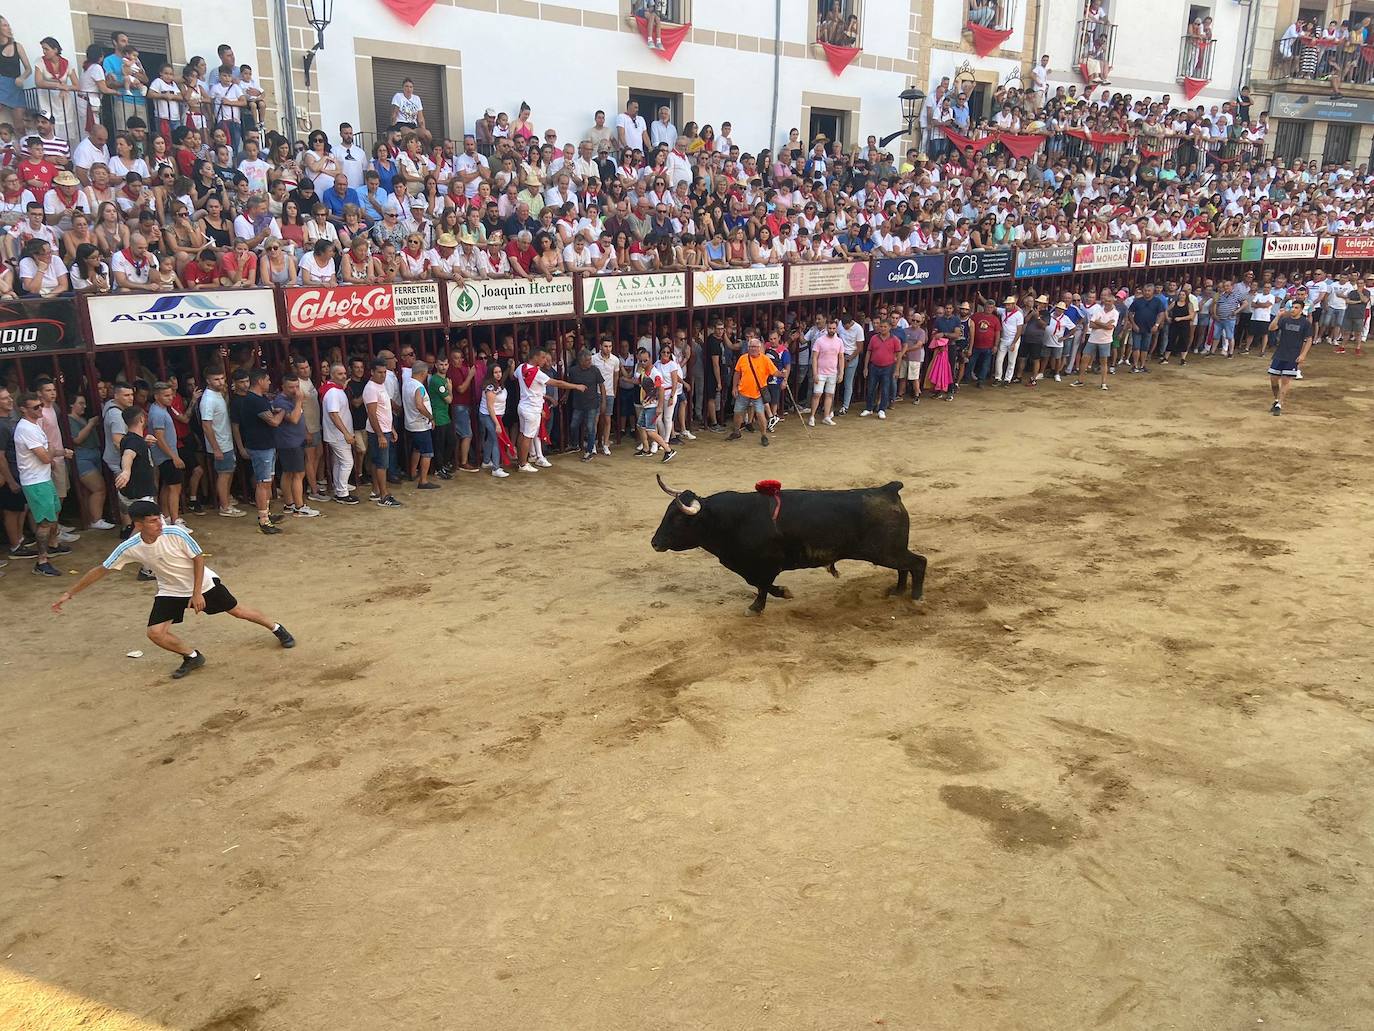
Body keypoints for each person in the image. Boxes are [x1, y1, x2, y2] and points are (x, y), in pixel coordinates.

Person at [54, 501, 295, 680]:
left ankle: (277, 628)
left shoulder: (175, 533)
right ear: (138, 525)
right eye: (152, 521)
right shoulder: (130, 547)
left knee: (238, 611)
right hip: (170, 590)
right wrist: (69, 593)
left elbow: (198, 558)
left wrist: (197, 593)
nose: (160, 524)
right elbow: (101, 569)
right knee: (155, 633)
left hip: (203, 584)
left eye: (159, 518)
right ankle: (192, 656)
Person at [12, 391, 71, 577]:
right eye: (36, 407)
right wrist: (52, 451)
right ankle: (42, 561)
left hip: (42, 479)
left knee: (51, 516)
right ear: (23, 409)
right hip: (36, 481)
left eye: (41, 406)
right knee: (45, 522)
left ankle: (49, 549)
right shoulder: (27, 429)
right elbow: (45, 457)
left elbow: (47, 453)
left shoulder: (33, 425)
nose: (41, 409)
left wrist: (58, 452)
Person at [515, 348, 585, 473]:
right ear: (535, 357)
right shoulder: (537, 373)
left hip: (523, 406)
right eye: (542, 357)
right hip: (532, 408)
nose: (545, 360)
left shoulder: (521, 368)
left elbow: (514, 375)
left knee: (522, 434)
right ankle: (523, 464)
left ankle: (521, 461)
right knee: (527, 436)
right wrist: (576, 386)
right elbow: (558, 383)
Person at [240, 368, 284, 534]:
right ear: (260, 381)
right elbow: (273, 422)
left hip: (264, 445)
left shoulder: (257, 399)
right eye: (267, 379)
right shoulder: (255, 400)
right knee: (263, 482)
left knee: (267, 481)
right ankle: (264, 519)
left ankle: (266, 513)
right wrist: (283, 411)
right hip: (260, 446)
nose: (270, 382)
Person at [273, 373, 317, 518]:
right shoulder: (281, 401)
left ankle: (289, 504)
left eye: (297, 387)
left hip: (294, 440)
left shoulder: (291, 399)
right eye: (291, 387)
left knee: (289, 473)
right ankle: (299, 507)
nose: (295, 390)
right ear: (283, 387)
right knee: (298, 474)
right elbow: (294, 418)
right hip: (290, 442)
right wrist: (299, 401)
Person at [362, 357, 401, 507]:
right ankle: (384, 495)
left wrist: (391, 429)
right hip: (379, 431)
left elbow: (384, 410)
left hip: (384, 429)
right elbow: (372, 414)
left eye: (384, 372)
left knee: (377, 461)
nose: (383, 375)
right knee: (382, 464)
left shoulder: (380, 385)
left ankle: (376, 491)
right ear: (372, 372)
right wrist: (380, 435)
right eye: (379, 372)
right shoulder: (371, 388)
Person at [1268, 298, 1314, 416]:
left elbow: (1309, 339)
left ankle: (1279, 404)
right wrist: (1278, 316)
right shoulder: (1285, 320)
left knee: (1285, 380)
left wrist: (1303, 354)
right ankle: (1276, 400)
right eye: (1292, 307)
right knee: (1273, 379)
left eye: (1296, 308)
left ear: (1301, 310)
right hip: (1280, 353)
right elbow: (1271, 328)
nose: (1293, 309)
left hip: (1293, 355)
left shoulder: (1305, 323)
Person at [320, 364, 358, 505]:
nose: (343, 376)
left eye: (344, 373)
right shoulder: (333, 393)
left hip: (336, 434)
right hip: (338, 435)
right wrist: (346, 433)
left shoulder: (334, 390)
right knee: (347, 462)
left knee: (338, 462)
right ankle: (342, 493)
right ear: (332, 375)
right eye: (339, 374)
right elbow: (334, 414)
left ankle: (339, 488)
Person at [728, 334, 776, 445]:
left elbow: (774, 372)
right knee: (737, 412)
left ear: (759, 348)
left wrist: (782, 375)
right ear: (748, 348)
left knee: (760, 414)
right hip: (743, 391)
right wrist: (734, 387)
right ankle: (736, 432)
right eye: (751, 347)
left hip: (758, 393)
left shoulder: (765, 359)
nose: (753, 349)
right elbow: (737, 373)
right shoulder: (743, 358)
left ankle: (764, 435)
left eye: (755, 347)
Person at [631, 349, 676, 461]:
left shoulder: (655, 373)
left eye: (645, 360)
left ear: (650, 359)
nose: (643, 363)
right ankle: (646, 448)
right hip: (647, 404)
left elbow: (661, 389)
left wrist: (660, 406)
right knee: (640, 426)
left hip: (652, 405)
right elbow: (638, 381)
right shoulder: (645, 372)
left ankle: (668, 450)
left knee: (650, 431)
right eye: (641, 361)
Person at [402, 359, 440, 490]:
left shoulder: (407, 383)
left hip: (410, 423)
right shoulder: (419, 387)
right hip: (421, 425)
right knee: (427, 453)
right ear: (423, 373)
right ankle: (423, 480)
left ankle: (413, 473)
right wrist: (430, 417)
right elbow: (419, 404)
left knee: (417, 449)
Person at [1073, 288, 1119, 391]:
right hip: (1094, 339)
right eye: (1106, 301)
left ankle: (1103, 383)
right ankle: (1080, 380)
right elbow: (1092, 325)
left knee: (1103, 362)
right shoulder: (1099, 310)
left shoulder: (1115, 313)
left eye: (1109, 301)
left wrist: (1098, 323)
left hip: (1105, 340)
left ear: (1112, 302)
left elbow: (1110, 327)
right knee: (1085, 358)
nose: (1107, 303)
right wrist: (1104, 324)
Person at [565, 348, 605, 461]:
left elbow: (602, 386)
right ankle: (575, 444)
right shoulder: (573, 371)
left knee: (591, 428)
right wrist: (566, 395)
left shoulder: (595, 370)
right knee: (573, 425)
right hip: (578, 404)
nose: (590, 362)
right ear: (581, 361)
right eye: (587, 360)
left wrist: (603, 401)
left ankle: (589, 451)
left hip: (592, 403)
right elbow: (569, 384)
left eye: (590, 359)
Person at [861, 317, 902, 418]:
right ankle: (869, 408)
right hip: (874, 366)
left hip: (888, 367)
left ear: (889, 328)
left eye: (885, 327)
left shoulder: (895, 339)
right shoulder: (874, 338)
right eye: (881, 326)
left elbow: (899, 355)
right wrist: (865, 367)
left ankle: (882, 409)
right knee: (871, 388)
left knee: (885, 389)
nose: (882, 328)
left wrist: (897, 370)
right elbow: (868, 352)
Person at [808, 317, 845, 426]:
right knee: (817, 394)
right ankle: (812, 416)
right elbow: (814, 357)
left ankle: (826, 416)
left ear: (836, 329)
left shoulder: (839, 341)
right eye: (830, 328)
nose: (832, 330)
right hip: (820, 372)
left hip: (832, 372)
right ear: (827, 328)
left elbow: (841, 357)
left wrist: (841, 372)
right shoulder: (820, 340)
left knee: (829, 394)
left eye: (833, 328)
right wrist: (815, 373)